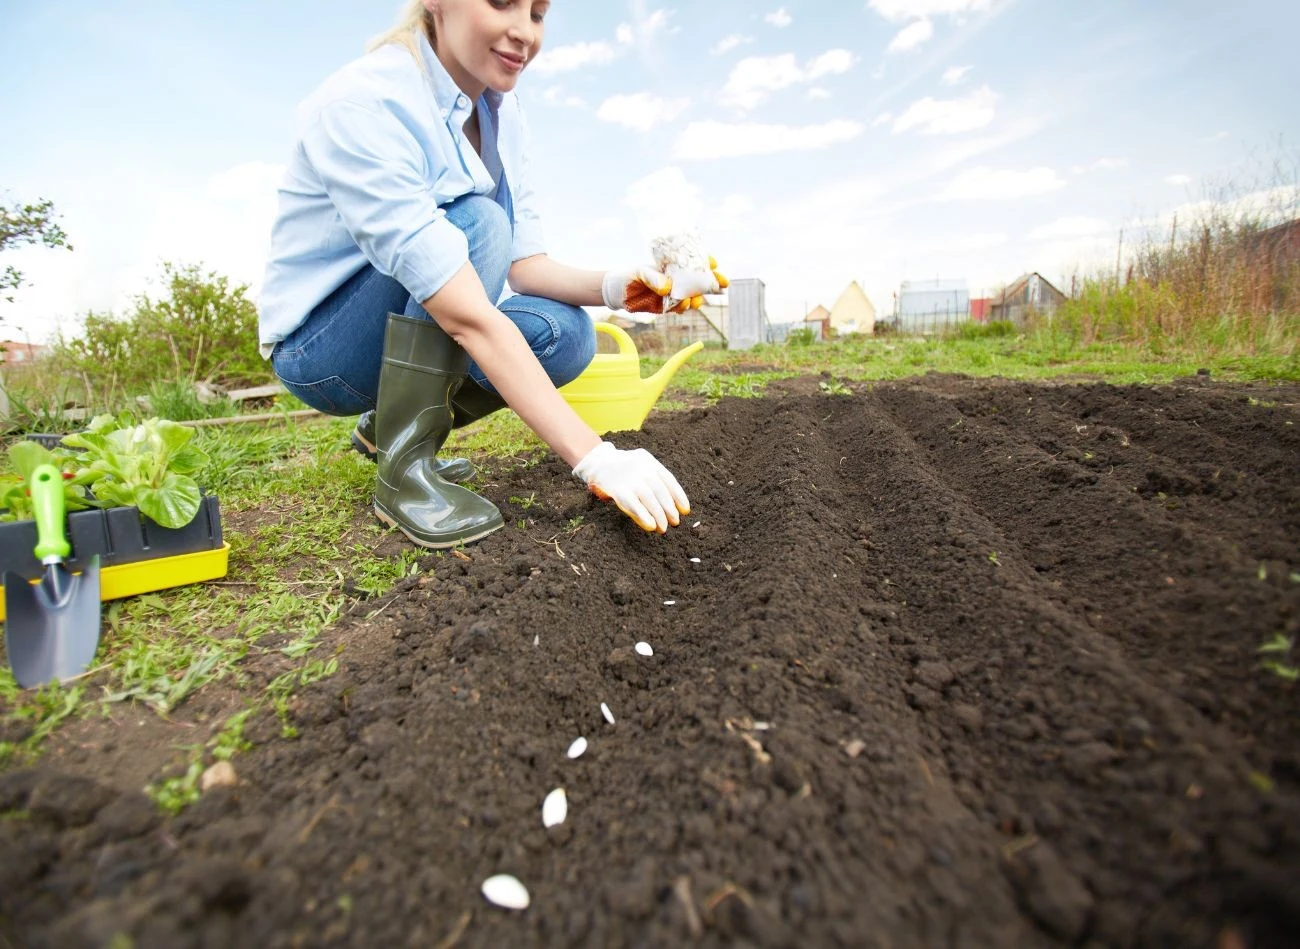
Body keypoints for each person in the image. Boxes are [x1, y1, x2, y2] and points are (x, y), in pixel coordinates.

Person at [258, 0, 726, 549]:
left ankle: (385, 428)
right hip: (321, 351)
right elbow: (465, 312)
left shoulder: (501, 112)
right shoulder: (366, 103)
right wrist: (597, 459)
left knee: (567, 336)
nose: (523, 31)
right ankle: (404, 474)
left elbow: (525, 267)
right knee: (478, 222)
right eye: (502, 2)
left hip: (413, 317)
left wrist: (617, 288)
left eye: (538, 12)